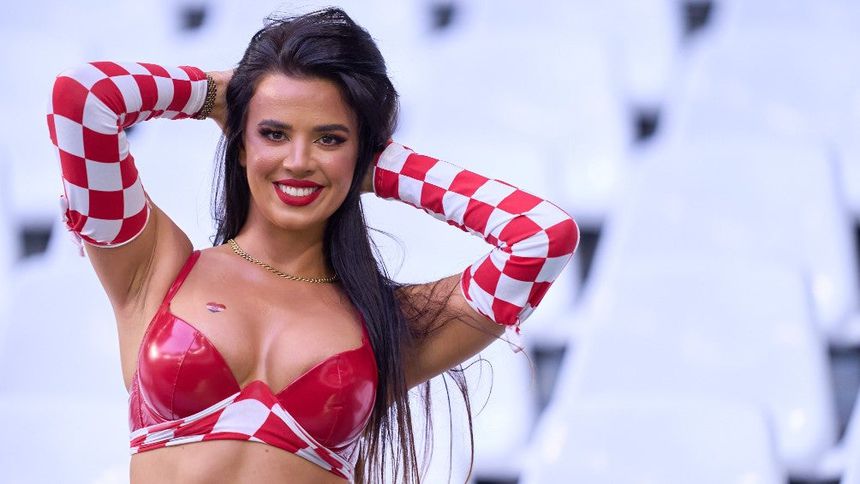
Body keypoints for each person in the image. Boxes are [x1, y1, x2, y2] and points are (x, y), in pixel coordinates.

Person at [46, 7, 578, 484]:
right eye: (274, 133)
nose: (299, 161)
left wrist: (382, 167)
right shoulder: (154, 269)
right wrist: (216, 94)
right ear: (240, 142)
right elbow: (84, 98)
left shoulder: (391, 324)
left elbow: (539, 237)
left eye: (329, 139)